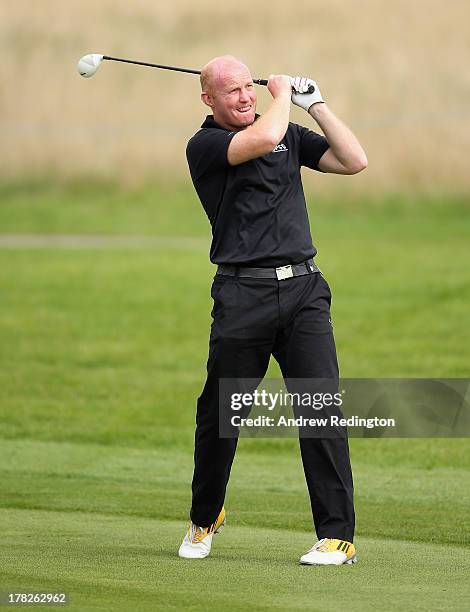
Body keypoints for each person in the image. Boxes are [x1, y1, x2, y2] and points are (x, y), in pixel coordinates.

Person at [178, 55, 367, 565]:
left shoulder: (287, 131)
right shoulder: (208, 145)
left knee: (319, 407)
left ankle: (336, 535)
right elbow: (261, 139)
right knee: (222, 414)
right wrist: (283, 93)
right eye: (232, 91)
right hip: (243, 297)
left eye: (248, 87)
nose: (244, 96)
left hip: (305, 292)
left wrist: (317, 104)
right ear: (208, 100)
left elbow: (355, 160)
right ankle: (205, 516)